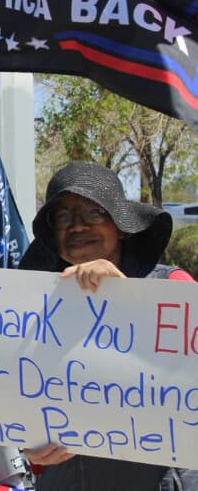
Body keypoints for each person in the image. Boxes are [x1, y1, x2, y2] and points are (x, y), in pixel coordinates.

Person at [18, 160, 196, 491]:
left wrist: (128, 295)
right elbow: (17, 423)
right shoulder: (30, 313)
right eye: (62, 216)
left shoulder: (173, 283)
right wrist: (31, 453)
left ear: (121, 227)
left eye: (94, 212)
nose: (77, 225)